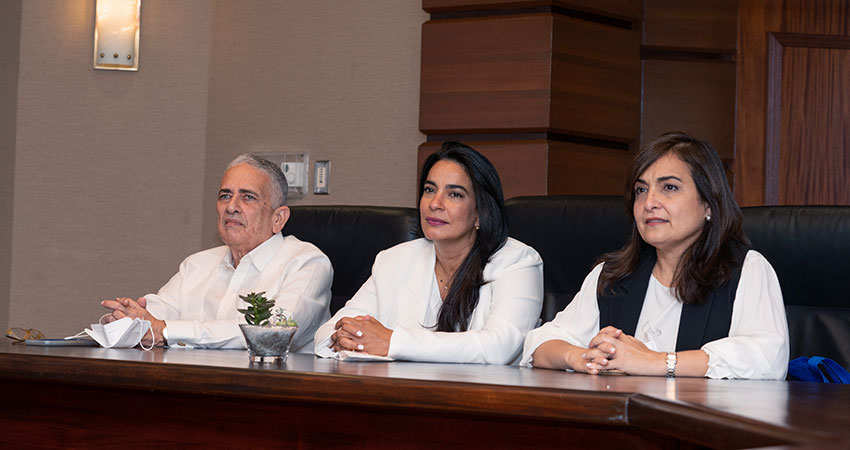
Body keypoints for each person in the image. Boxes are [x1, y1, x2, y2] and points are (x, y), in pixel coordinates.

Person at [522, 132, 789, 379]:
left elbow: (767, 359)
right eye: (641, 190)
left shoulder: (745, 269)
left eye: (669, 187)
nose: (649, 203)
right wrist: (583, 358)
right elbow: (539, 345)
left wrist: (655, 361)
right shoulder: (612, 275)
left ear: (708, 203)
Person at [314, 142, 543, 364]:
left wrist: (393, 341)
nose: (435, 203)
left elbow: (499, 347)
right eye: (430, 190)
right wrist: (350, 337)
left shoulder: (517, 261)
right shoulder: (393, 260)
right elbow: (329, 332)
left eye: (455, 194)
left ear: (481, 213)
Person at [101, 154, 333, 352]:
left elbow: (272, 334)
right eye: (225, 196)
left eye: (247, 197)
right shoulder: (197, 264)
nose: (231, 207)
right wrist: (129, 319)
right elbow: (157, 316)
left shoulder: (307, 263)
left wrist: (166, 330)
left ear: (278, 218)